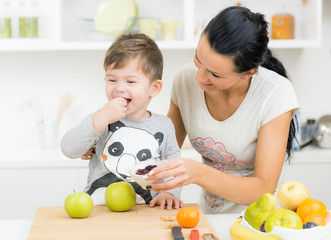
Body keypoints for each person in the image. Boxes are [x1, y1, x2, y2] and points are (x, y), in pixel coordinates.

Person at [145, 6, 300, 214]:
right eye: (198, 59)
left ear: (248, 73)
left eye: (215, 75)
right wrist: (105, 139)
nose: (199, 77)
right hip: (210, 216)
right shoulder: (185, 79)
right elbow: (162, 149)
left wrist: (198, 173)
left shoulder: (275, 93)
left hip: (260, 221)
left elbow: (263, 189)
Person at [61, 33, 183, 210]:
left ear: (154, 88)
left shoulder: (164, 126)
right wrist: (99, 121)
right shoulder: (101, 118)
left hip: (146, 210)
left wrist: (170, 193)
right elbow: (68, 149)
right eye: (112, 79)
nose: (119, 88)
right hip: (99, 208)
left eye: (131, 81)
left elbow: (173, 166)